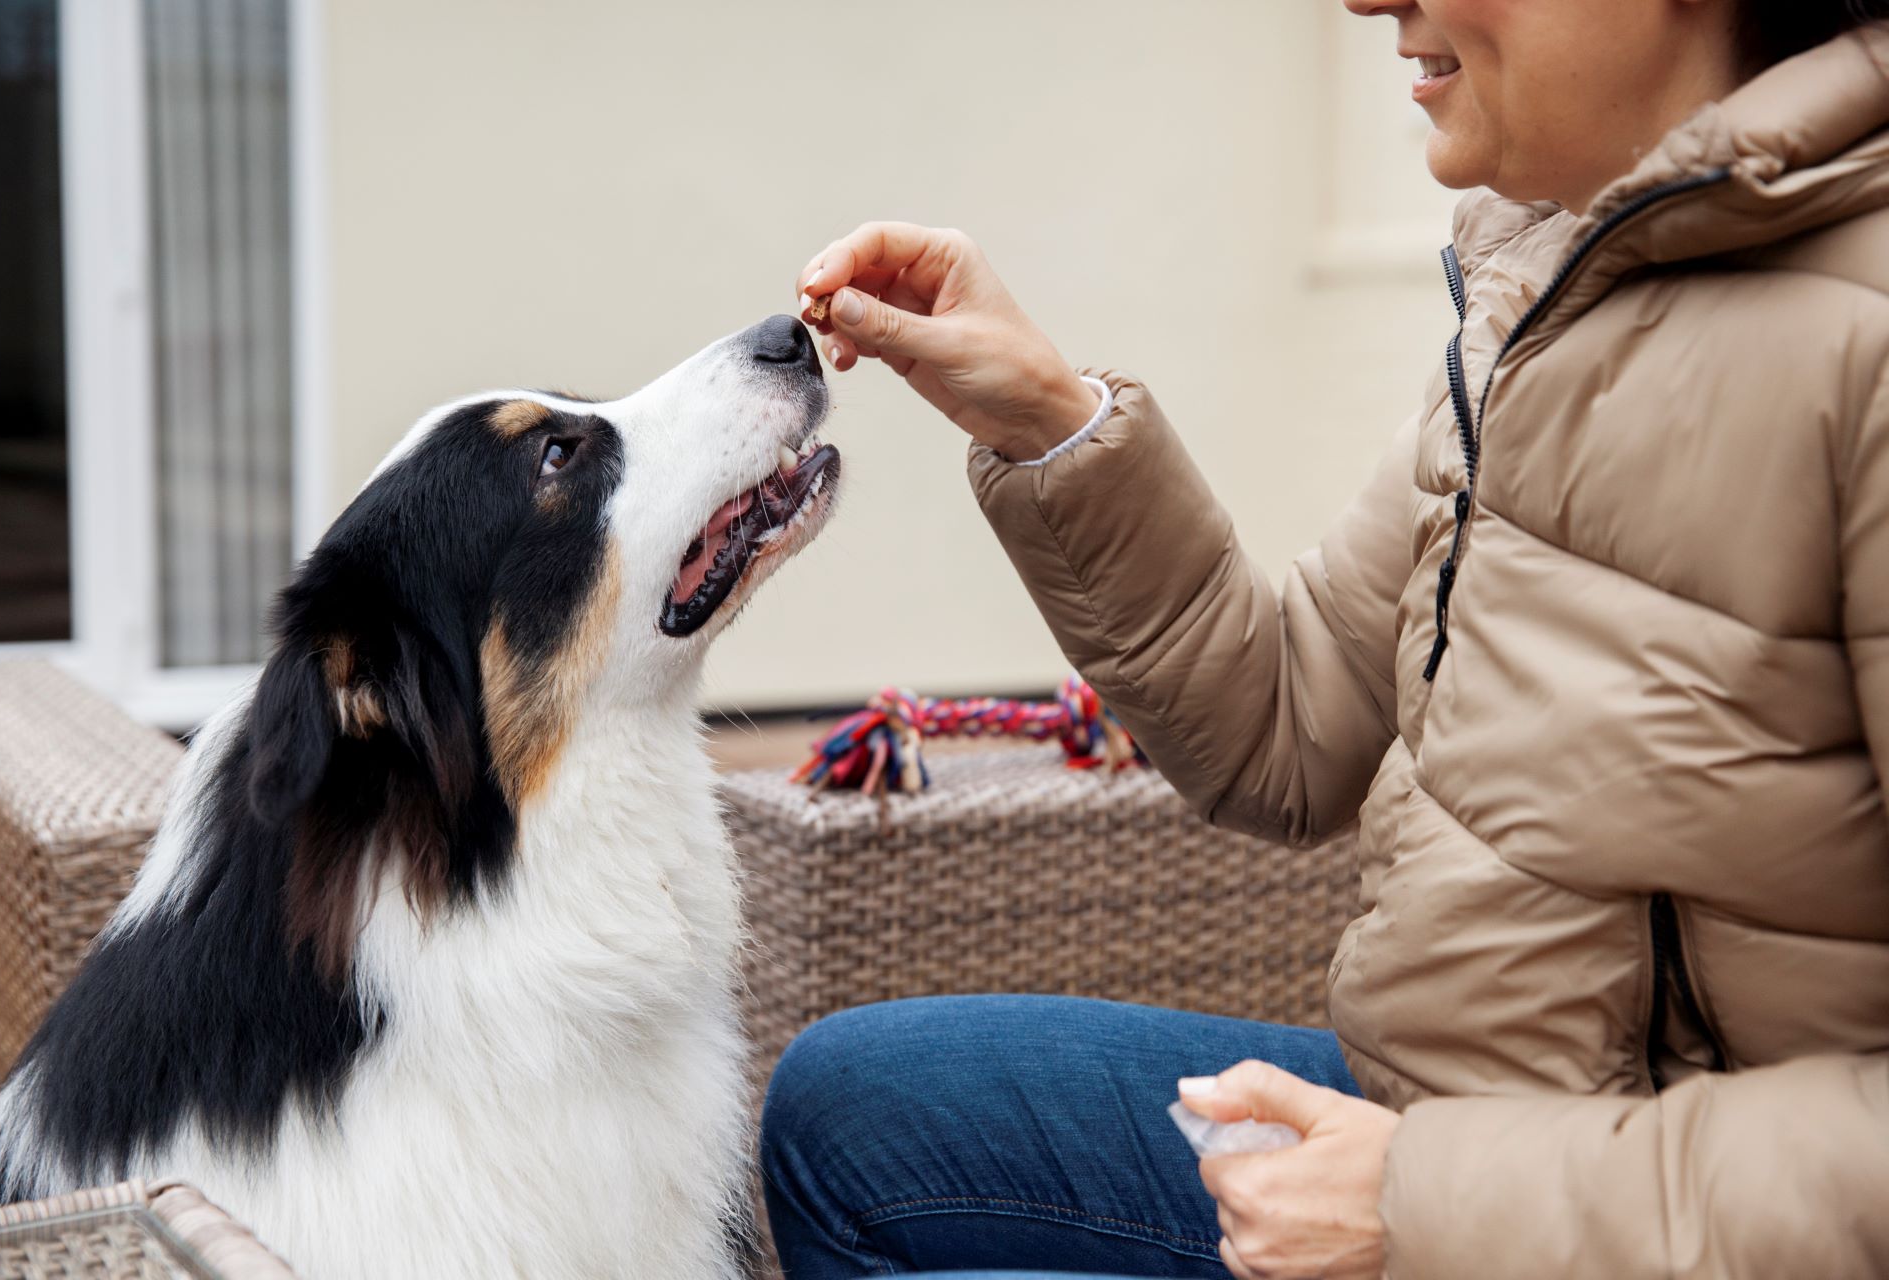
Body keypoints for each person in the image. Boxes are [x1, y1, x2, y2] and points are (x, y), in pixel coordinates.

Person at [760, 2, 1889, 1277]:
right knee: (854, 1118)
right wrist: (1048, 419)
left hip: (1610, 1218)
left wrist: (1428, 1204)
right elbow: (1288, 728)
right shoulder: (1551, 292)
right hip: (1435, 1139)